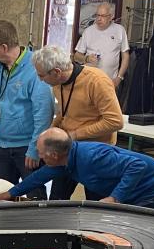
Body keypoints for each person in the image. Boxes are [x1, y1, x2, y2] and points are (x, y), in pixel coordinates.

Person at [0, 127, 154, 208]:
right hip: (134, 186)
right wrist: (10, 193)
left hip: (153, 185)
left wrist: (115, 198)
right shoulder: (64, 161)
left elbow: (137, 165)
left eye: (41, 153)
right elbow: (38, 177)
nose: (39, 157)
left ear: (54, 155)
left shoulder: (93, 157)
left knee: (136, 229)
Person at [32, 44, 123, 200]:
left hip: (95, 154)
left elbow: (115, 121)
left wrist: (74, 135)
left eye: (41, 75)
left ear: (56, 72)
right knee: (56, 201)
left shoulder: (97, 81)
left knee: (95, 205)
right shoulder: (57, 84)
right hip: (68, 151)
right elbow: (65, 112)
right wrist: (49, 133)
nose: (40, 79)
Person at [0, 20, 53, 199]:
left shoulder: (35, 68)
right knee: (2, 198)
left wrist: (34, 149)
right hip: (1, 147)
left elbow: (43, 115)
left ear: (4, 47)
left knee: (34, 198)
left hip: (26, 147)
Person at [75, 2, 130, 91]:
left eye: (103, 16)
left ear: (111, 17)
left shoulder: (120, 30)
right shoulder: (88, 31)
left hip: (110, 82)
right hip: (88, 81)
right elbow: (76, 56)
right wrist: (87, 58)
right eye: (97, 15)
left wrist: (119, 78)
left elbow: (125, 56)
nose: (99, 19)